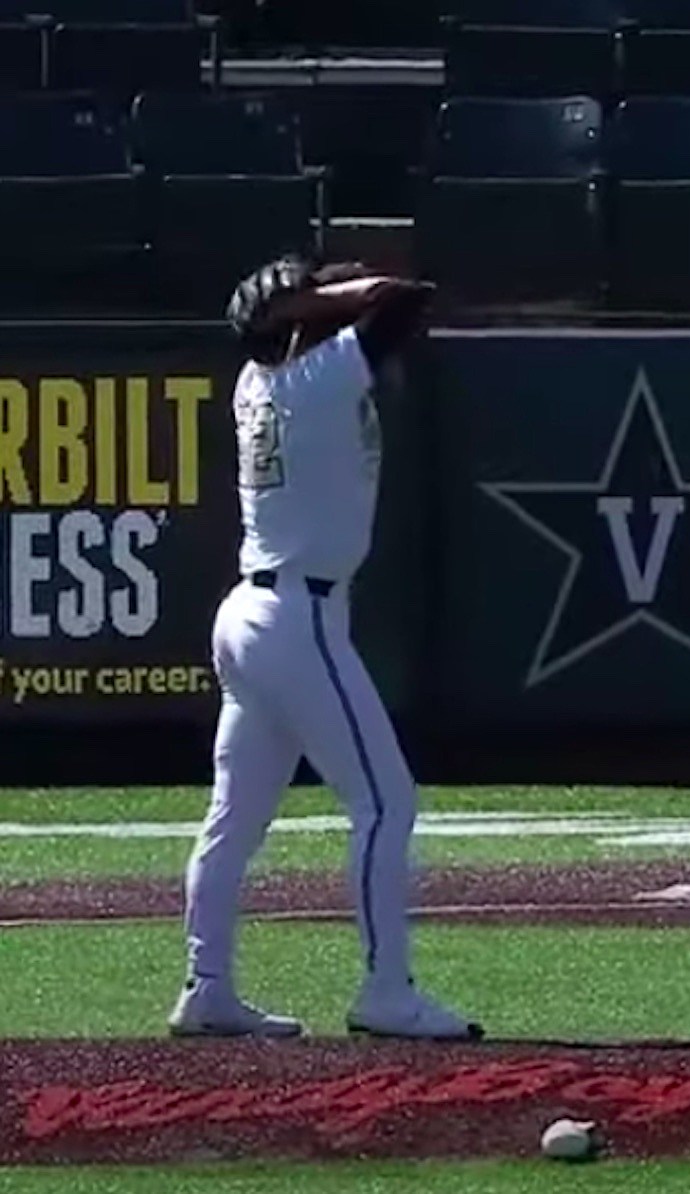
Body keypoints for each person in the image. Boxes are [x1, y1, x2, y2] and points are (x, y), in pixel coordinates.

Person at [169, 255, 482, 1040]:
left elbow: (370, 312)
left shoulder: (258, 380)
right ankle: (386, 991)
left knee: (232, 819)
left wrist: (309, 294)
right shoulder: (316, 378)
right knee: (386, 801)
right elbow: (408, 298)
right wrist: (329, 292)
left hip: (254, 615)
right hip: (294, 619)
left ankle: (207, 988)